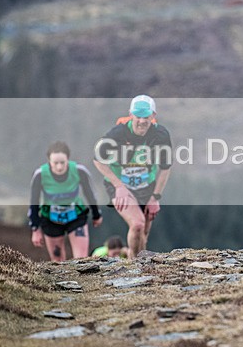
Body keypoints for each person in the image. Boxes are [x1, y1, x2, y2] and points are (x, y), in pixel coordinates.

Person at [93, 95, 172, 259]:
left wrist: (155, 197)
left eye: (146, 117)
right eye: (138, 116)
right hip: (120, 186)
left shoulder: (161, 135)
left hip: (146, 187)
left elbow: (165, 168)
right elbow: (97, 160)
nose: (142, 121)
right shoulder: (118, 134)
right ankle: (135, 269)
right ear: (131, 115)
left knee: (143, 232)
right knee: (137, 224)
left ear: (153, 116)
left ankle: (140, 266)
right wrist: (119, 186)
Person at [29, 141, 103, 261]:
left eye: (62, 163)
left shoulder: (79, 171)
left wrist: (96, 215)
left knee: (81, 260)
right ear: (49, 161)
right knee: (57, 261)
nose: (59, 167)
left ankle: (82, 280)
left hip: (76, 216)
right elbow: (34, 202)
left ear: (68, 159)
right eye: (55, 163)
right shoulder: (40, 175)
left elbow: (90, 194)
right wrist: (35, 229)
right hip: (51, 219)